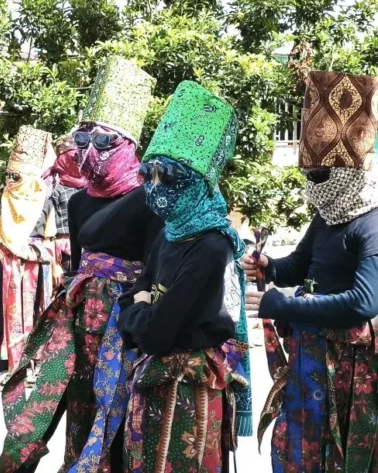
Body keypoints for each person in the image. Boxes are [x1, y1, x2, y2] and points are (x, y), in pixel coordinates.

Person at [0, 57, 160, 472]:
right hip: (77, 318)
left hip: (123, 324)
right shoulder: (79, 199)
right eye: (82, 139)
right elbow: (77, 260)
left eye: (103, 142)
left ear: (128, 147)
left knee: (117, 405)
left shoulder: (149, 200)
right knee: (64, 402)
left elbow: (157, 266)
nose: (89, 152)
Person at [245, 70, 378, 472]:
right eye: (308, 175)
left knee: (338, 453)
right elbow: (298, 267)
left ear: (345, 173)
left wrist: (285, 305)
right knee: (302, 448)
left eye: (319, 175)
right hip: (310, 353)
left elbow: (363, 302)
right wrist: (268, 265)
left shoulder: (370, 223)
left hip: (347, 363)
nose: (312, 185)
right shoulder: (326, 216)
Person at [118, 81, 248, 473]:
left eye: (168, 179)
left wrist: (137, 311)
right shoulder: (170, 232)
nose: (156, 190)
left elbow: (154, 332)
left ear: (197, 185)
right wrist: (138, 310)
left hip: (189, 392)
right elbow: (136, 298)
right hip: (155, 384)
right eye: (150, 177)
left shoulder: (211, 247)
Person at [0, 125, 57, 387]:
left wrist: (53, 264)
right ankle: (7, 366)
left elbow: (50, 238)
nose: (11, 181)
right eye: (9, 175)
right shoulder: (2, 201)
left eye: (17, 176)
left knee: (37, 315)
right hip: (10, 269)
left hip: (36, 270)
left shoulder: (43, 202)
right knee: (6, 314)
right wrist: (2, 255)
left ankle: (32, 364)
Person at [47, 134, 87, 275]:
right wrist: (54, 263)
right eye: (72, 159)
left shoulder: (91, 189)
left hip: (86, 249)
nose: (76, 162)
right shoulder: (55, 189)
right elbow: (48, 228)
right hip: (62, 248)